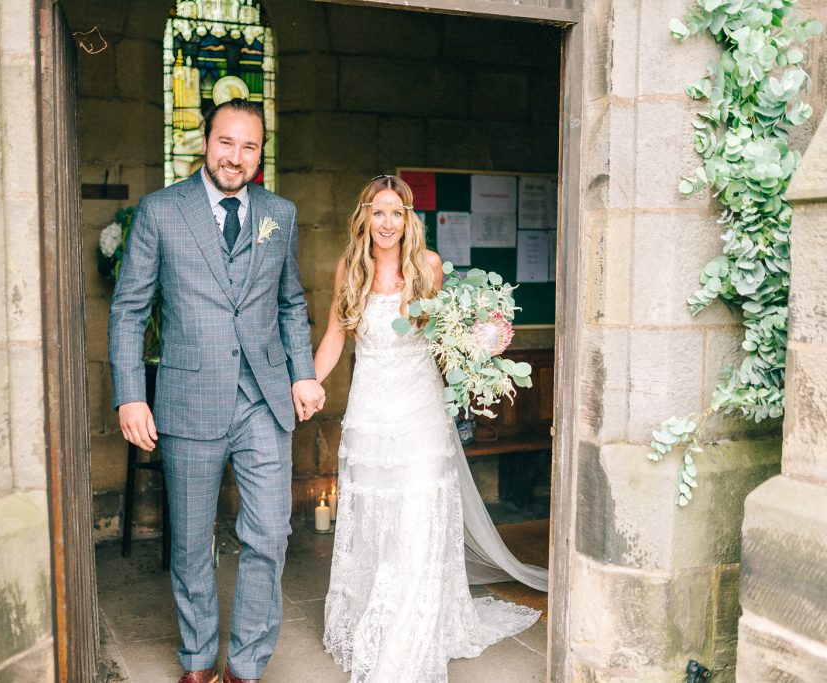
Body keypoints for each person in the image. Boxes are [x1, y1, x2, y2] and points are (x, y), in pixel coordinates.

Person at [108, 98, 325, 683]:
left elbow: (290, 302)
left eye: (249, 146)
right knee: (190, 543)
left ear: (260, 153)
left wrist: (302, 372)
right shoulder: (160, 212)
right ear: (206, 142)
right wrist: (131, 394)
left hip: (263, 399)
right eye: (226, 142)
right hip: (188, 400)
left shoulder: (279, 212)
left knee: (269, 535)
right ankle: (199, 661)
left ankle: (245, 667)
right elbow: (129, 309)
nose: (236, 156)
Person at [315, 175, 548, 682]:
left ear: (409, 218)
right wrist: (310, 382)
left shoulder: (428, 267)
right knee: (378, 519)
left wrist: (476, 356)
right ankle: (375, 617)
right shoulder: (350, 269)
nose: (387, 222)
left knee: (418, 516)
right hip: (371, 413)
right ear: (364, 217)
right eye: (378, 212)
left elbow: (448, 337)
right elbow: (336, 334)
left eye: (396, 212)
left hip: (421, 412)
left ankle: (411, 633)